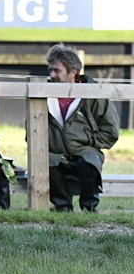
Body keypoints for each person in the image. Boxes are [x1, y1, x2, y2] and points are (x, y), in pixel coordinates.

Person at [40, 44, 118, 212]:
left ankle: (89, 208)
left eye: (56, 71)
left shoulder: (95, 94)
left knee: (89, 164)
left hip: (85, 151)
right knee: (46, 162)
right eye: (50, 70)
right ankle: (63, 208)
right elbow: (32, 132)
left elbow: (111, 131)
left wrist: (89, 141)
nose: (51, 75)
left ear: (73, 72)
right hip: (54, 153)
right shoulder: (41, 93)